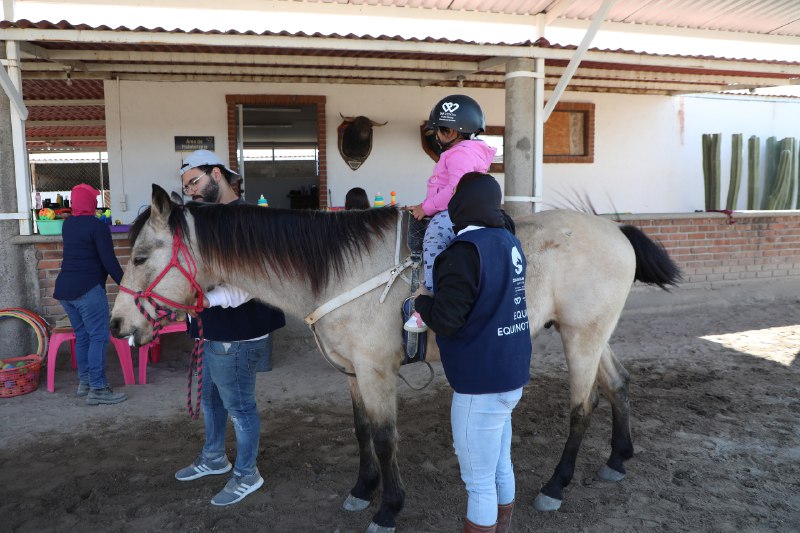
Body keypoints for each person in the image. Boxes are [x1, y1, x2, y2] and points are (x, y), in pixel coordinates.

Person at [411, 172, 531, 533]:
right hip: (512, 374)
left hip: (480, 383)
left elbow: (447, 320)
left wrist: (421, 303)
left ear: (460, 206)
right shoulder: (510, 240)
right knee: (500, 465)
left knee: (478, 482)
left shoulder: (462, 252)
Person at [175, 150, 287, 506]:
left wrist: (208, 300)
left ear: (218, 175)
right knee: (210, 400)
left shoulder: (251, 219)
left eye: (195, 181)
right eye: (186, 186)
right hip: (211, 329)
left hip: (238, 331)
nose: (191, 191)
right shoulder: (205, 218)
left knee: (239, 407)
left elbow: (256, 280)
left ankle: (247, 473)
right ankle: (213, 458)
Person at [405, 94, 496, 333]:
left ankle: (431, 297)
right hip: (454, 207)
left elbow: (454, 190)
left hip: (454, 212)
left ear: (451, 132)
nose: (436, 136)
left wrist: (425, 208)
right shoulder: (468, 151)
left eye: (440, 130)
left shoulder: (460, 154)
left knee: (433, 236)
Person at [54, 184, 127, 405]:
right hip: (87, 290)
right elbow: (109, 261)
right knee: (98, 337)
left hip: (65, 291)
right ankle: (98, 388)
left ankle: (85, 383)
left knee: (83, 336)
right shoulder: (97, 227)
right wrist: (126, 285)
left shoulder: (68, 225)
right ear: (90, 203)